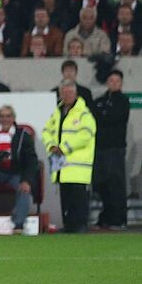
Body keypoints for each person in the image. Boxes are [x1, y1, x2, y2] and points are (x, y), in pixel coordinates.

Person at [42, 80, 96, 233]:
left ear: (75, 93)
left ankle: (79, 227)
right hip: (62, 166)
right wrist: (51, 146)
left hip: (78, 167)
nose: (66, 95)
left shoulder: (84, 114)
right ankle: (69, 226)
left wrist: (64, 148)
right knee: (66, 199)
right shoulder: (57, 112)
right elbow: (47, 131)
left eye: (69, 92)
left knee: (78, 199)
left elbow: (85, 136)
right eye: (64, 92)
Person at [0, 105, 38, 229]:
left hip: (15, 173)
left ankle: (19, 223)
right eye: (2, 116)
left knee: (24, 188)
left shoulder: (23, 136)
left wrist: (26, 180)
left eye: (8, 116)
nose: (5, 119)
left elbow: (31, 161)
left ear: (13, 118)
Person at [91, 70, 130, 230]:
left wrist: (103, 115)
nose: (114, 83)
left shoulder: (124, 101)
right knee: (101, 185)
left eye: (117, 81)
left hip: (115, 149)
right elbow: (94, 118)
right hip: (100, 148)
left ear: (121, 83)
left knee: (116, 185)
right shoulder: (99, 100)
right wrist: (104, 115)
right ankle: (106, 217)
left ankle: (119, 219)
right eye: (111, 81)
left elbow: (115, 118)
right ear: (107, 82)